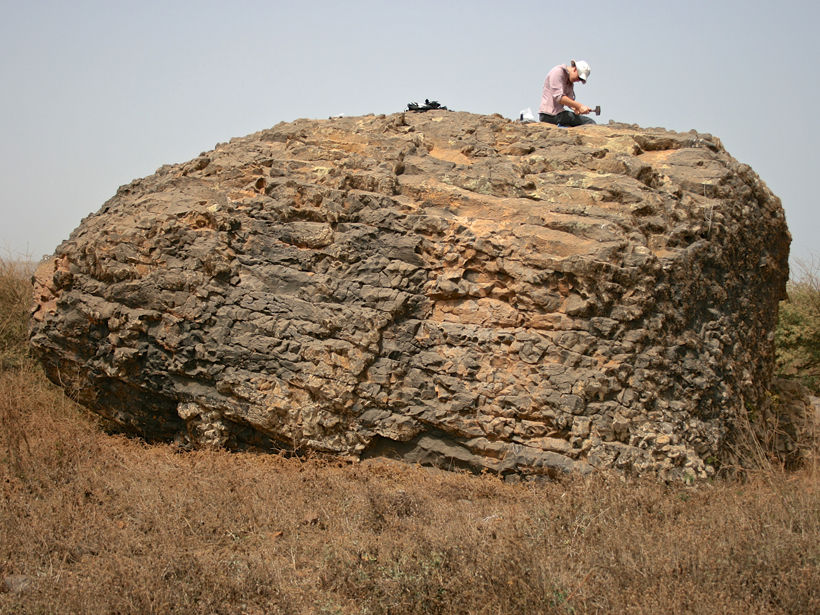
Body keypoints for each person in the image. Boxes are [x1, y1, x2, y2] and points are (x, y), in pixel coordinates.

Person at [539, 60, 596, 127]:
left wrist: (577, 109)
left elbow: (569, 101)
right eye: (579, 78)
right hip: (549, 115)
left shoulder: (569, 82)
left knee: (578, 123)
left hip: (558, 114)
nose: (578, 81)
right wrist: (580, 106)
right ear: (575, 69)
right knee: (589, 122)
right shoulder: (558, 72)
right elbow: (559, 97)